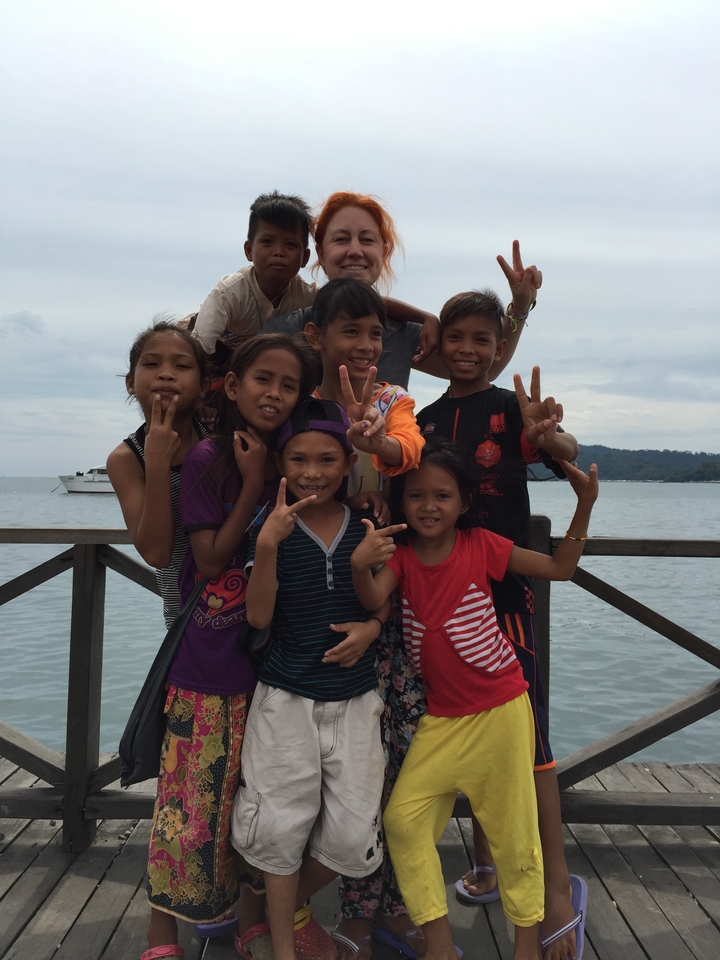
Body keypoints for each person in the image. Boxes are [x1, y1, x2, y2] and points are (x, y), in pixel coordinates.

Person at [350, 438, 598, 960]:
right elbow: (374, 598)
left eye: (443, 496)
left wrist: (584, 505)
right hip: (440, 721)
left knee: (514, 838)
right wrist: (359, 564)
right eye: (416, 496)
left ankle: (526, 945)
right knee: (403, 821)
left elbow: (560, 570)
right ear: (402, 501)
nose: (429, 507)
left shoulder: (480, 544)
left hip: (501, 712)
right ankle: (439, 945)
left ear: (463, 503)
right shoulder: (402, 558)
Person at [140, 333, 319, 960]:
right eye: (262, 379)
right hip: (207, 662)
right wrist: (249, 484)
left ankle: (249, 920)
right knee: (189, 804)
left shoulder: (297, 459)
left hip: (274, 665)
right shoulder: (211, 458)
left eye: (289, 384)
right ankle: (161, 934)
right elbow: (212, 560)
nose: (273, 393)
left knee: (256, 803)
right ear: (232, 385)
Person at [415, 290, 582, 960]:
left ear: (498, 347)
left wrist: (549, 435)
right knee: (458, 723)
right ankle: (485, 862)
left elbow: (562, 447)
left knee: (529, 737)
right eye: (456, 337)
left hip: (507, 592)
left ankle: (559, 887)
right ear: (436, 346)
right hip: (436, 596)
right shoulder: (420, 419)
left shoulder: (512, 409)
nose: (468, 350)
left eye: (483, 339)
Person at [232, 397, 392, 960]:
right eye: (298, 460)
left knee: (352, 835)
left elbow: (384, 599)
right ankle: (282, 947)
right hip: (286, 697)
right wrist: (269, 543)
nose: (311, 473)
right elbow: (257, 617)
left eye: (327, 460)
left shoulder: (365, 523)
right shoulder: (267, 524)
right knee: (277, 830)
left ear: (349, 464)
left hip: (355, 698)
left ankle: (278, 912)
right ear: (281, 463)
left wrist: (372, 629)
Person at [265, 190, 540, 388]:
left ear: (383, 253)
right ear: (321, 254)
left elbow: (486, 368)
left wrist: (519, 308)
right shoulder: (284, 332)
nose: (355, 250)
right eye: (341, 239)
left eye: (367, 240)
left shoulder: (401, 332)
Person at [107, 321, 210, 627]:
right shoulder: (126, 459)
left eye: (182, 365)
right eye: (151, 364)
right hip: (185, 622)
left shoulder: (219, 442)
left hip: (246, 612)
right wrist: (156, 462)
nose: (166, 373)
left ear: (204, 385)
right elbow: (157, 553)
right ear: (130, 381)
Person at [305, 277, 424, 501]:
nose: (366, 346)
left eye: (375, 334)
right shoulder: (303, 405)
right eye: (351, 331)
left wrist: (381, 443)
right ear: (315, 336)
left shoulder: (392, 400)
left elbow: (411, 448)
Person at [191, 191, 316, 359]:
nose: (278, 252)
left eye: (291, 244)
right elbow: (197, 351)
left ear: (305, 258)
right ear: (249, 251)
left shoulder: (310, 298)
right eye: (267, 242)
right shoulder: (229, 293)